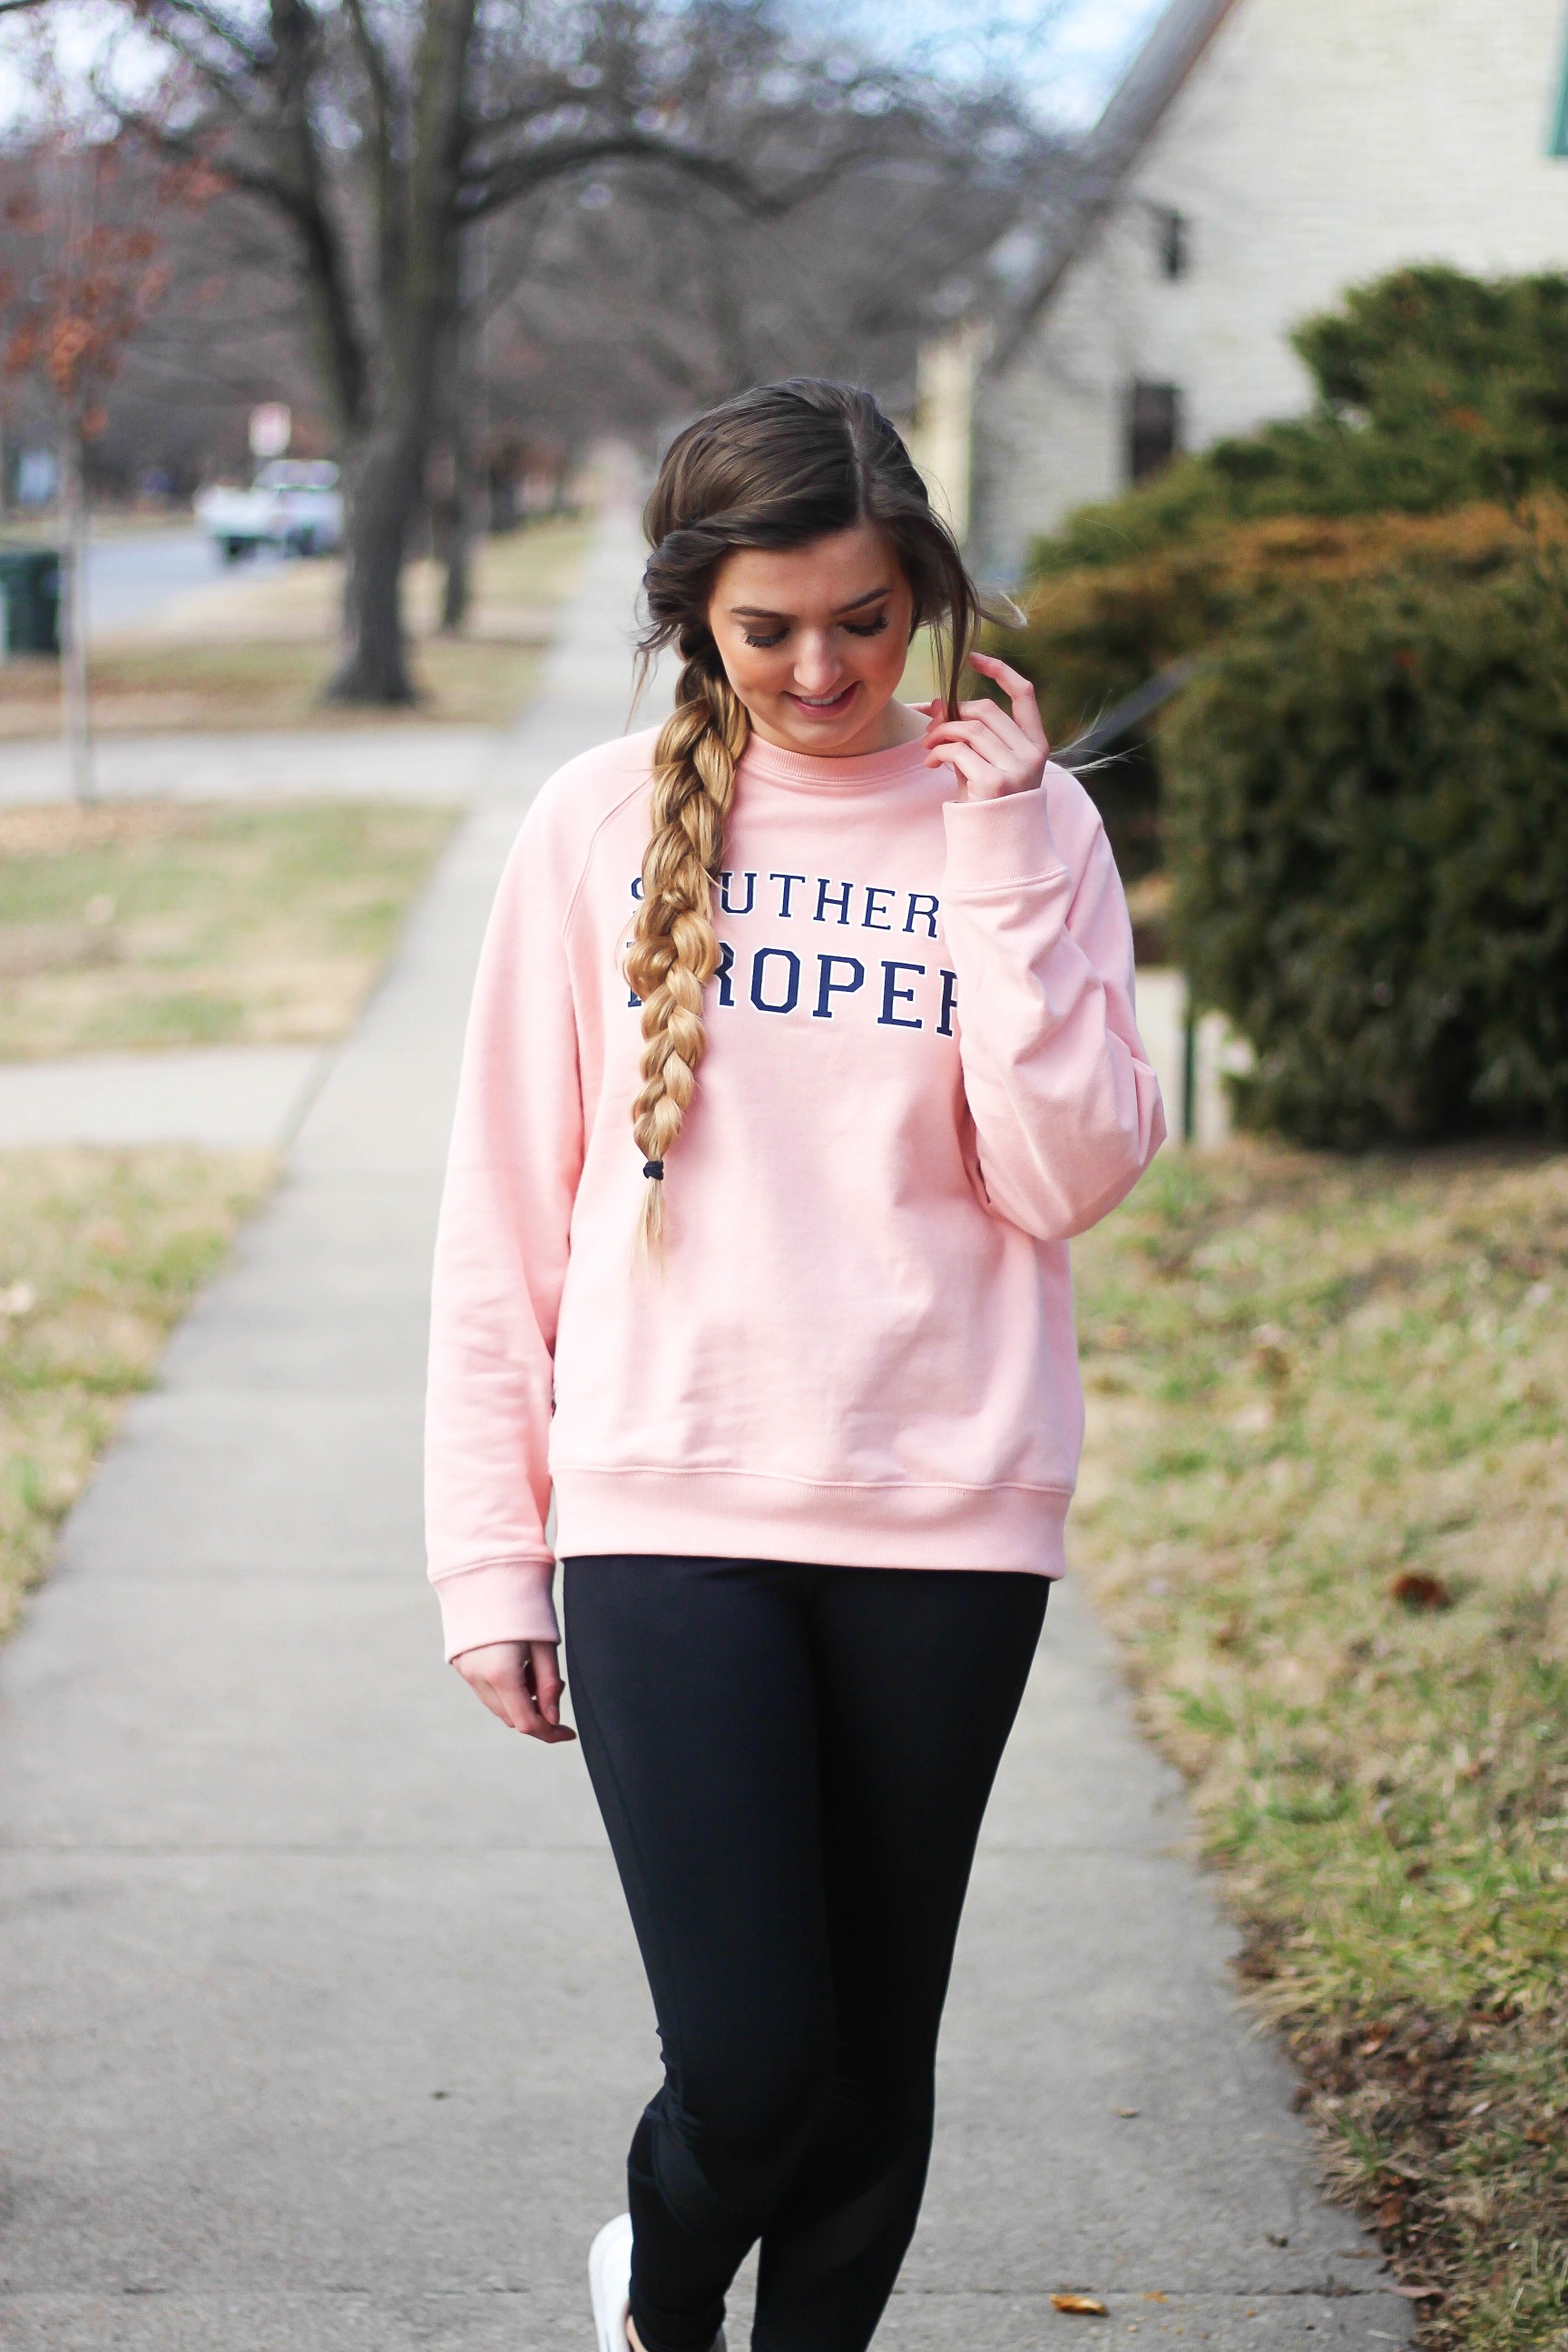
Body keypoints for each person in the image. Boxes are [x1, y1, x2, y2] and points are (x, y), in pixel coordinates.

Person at [425, 378, 1165, 2352]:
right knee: (750, 2062)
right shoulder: (598, 826)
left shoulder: (1032, 822)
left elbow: (1068, 1174)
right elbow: (503, 1211)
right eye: (770, 631)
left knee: (868, 2062)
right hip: (672, 1504)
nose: (823, 669)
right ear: (694, 620)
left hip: (948, 1507)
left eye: (865, 618)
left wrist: (1004, 856)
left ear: (923, 592)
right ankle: (655, 2303)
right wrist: (489, 1555)